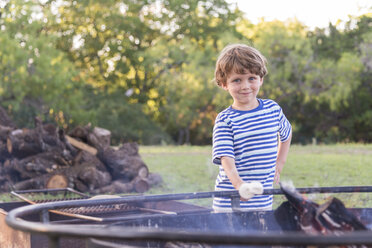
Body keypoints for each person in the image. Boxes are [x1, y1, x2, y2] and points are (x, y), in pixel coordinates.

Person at [212, 44, 292, 212]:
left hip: (262, 201)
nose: (245, 86)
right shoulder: (225, 119)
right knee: (232, 238)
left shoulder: (272, 110)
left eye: (251, 78)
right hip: (231, 202)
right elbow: (226, 159)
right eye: (236, 80)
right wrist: (239, 186)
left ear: (260, 79)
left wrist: (279, 162)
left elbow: (286, 133)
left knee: (258, 237)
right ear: (224, 84)